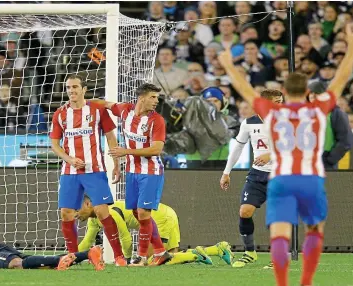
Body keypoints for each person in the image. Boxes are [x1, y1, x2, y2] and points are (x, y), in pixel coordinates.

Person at [217, 24, 353, 286]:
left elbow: (244, 87)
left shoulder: (275, 116)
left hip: (281, 177)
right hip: (308, 176)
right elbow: (341, 79)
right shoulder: (315, 111)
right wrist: (352, 47)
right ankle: (306, 279)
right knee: (314, 229)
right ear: (306, 94)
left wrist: (227, 62)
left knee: (280, 229)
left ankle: (281, 281)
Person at [49, 74, 125, 266]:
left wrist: (116, 163)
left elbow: (110, 137)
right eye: (68, 88)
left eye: (75, 87)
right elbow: (55, 145)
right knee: (66, 213)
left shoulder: (98, 110)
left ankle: (118, 256)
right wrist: (69, 159)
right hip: (70, 171)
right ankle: (72, 256)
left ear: (84, 90)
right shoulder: (60, 114)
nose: (71, 91)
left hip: (95, 169)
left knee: (101, 211)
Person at [91, 83, 169, 266]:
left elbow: (157, 149)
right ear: (141, 98)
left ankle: (141, 258)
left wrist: (126, 152)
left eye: (157, 97)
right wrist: (80, 102)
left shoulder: (157, 120)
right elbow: (105, 104)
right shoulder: (125, 111)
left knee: (143, 213)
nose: (156, 101)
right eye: (153, 97)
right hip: (132, 172)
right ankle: (161, 252)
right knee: (138, 213)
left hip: (151, 172)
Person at [220, 89, 283, 268]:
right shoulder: (249, 123)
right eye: (277, 101)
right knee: (245, 211)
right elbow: (238, 148)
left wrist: (269, 155)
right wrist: (226, 172)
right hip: (257, 174)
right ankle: (249, 252)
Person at [77, 196, 232, 265]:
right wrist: (72, 257)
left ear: (88, 203)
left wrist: (128, 260)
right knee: (170, 259)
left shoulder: (110, 212)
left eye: (76, 209)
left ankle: (197, 254)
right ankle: (216, 249)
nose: (75, 215)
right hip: (165, 214)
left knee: (151, 261)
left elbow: (125, 238)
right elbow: (87, 241)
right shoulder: (94, 219)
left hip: (159, 218)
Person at [307, 81, 353, 169]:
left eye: (317, 93)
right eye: (311, 93)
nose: (312, 96)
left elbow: (346, 141)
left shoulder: (336, 113)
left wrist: (329, 160)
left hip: (325, 160)